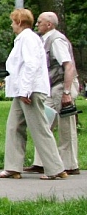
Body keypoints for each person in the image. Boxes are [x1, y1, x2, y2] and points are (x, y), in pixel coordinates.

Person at [0, 8, 67, 181]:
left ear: (19, 22)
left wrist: (25, 90)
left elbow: (31, 65)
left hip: (30, 91)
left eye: (13, 21)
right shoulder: (24, 39)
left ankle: (55, 169)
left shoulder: (27, 38)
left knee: (39, 128)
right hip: (22, 92)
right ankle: (12, 167)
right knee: (14, 127)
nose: (12, 25)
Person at [25, 12, 79, 175]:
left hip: (61, 86)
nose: (37, 24)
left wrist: (67, 92)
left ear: (49, 24)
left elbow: (68, 66)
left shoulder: (56, 40)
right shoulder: (45, 39)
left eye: (40, 22)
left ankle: (70, 165)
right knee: (43, 123)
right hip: (52, 87)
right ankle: (41, 163)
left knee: (65, 126)